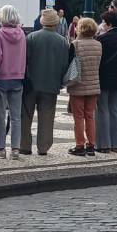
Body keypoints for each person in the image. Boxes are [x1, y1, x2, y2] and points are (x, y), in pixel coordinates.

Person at [21, 9, 71, 156]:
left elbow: (25, 61)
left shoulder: (31, 38)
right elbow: (64, 65)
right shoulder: (63, 41)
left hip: (30, 84)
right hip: (51, 85)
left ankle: (24, 145)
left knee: (26, 115)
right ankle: (43, 147)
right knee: (47, 117)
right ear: (56, 22)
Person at [0, 5, 26, 158]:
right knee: (16, 116)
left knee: (0, 115)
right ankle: (15, 149)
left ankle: (1, 149)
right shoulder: (22, 34)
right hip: (18, 77)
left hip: (2, 77)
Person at [93, 11, 117, 154]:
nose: (102, 25)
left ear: (108, 24)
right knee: (115, 110)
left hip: (104, 78)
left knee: (102, 110)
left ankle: (103, 144)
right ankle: (116, 143)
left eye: (103, 22)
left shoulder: (102, 39)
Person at [67, 17, 103, 155]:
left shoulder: (75, 44)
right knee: (90, 116)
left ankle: (80, 145)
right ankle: (91, 145)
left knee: (78, 117)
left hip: (78, 86)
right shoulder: (98, 45)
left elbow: (69, 65)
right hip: (94, 85)